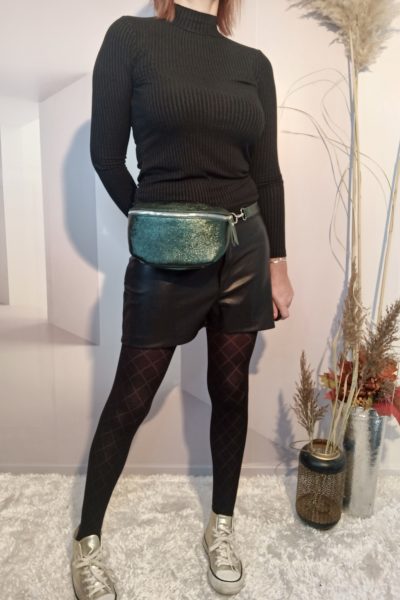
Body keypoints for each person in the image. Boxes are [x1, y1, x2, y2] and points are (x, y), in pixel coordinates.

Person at [70, 0, 294, 598]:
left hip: (244, 248)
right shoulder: (130, 39)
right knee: (131, 398)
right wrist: (156, 227)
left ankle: (221, 525)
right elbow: (105, 157)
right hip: (167, 255)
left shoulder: (253, 64)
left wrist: (278, 264)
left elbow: (267, 174)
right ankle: (87, 539)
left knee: (231, 391)